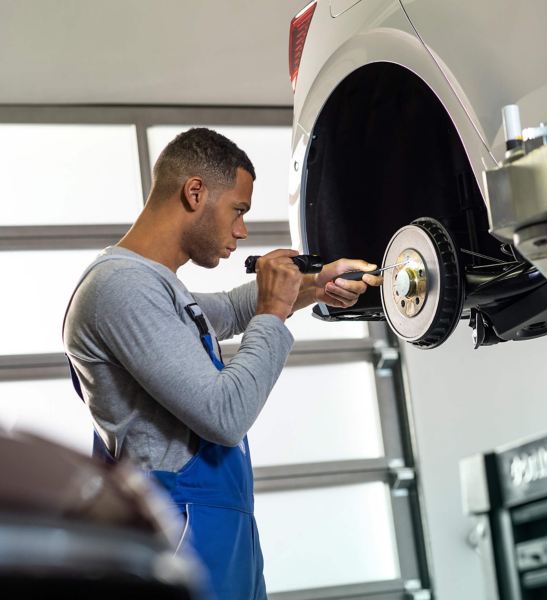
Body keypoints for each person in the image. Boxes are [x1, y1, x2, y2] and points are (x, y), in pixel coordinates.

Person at [63, 127, 381, 599]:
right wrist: (274, 310)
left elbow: (231, 311)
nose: (242, 231)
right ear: (194, 193)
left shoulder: (156, 285)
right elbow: (223, 415)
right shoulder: (120, 288)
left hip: (218, 532)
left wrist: (314, 283)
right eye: (238, 210)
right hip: (180, 540)